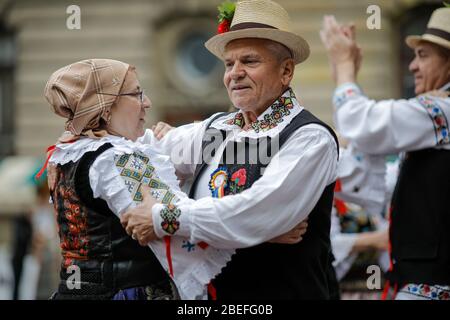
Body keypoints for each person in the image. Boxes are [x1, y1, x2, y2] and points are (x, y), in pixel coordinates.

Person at [123, 0, 340, 299]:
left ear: (286, 71)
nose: (234, 73)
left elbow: (255, 211)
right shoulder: (215, 128)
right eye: (228, 64)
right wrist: (81, 144)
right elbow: (136, 154)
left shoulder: (310, 138)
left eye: (249, 62)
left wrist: (164, 218)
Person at [44, 59, 305, 300]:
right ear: (106, 105)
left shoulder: (69, 154)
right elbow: (175, 223)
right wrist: (260, 228)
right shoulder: (119, 159)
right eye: (136, 93)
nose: (146, 102)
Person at [320, 8, 450, 300]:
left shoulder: (443, 110)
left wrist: (344, 68)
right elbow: (372, 183)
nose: (413, 66)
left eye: (424, 55)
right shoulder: (436, 116)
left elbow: (362, 124)